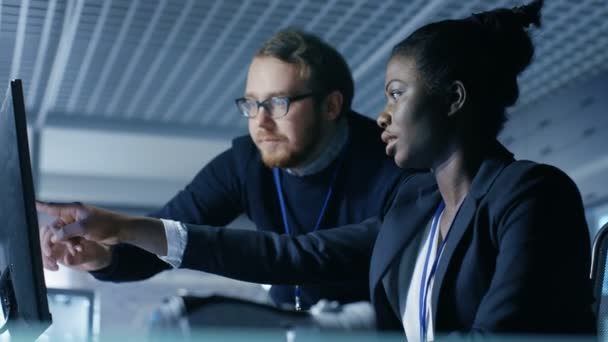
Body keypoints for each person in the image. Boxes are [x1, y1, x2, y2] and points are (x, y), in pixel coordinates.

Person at [39, 0, 596, 337]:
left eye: (397, 94)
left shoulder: (526, 193)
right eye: (251, 104)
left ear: (452, 99)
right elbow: (294, 255)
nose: (383, 113)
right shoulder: (419, 207)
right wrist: (122, 232)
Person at [39, 29, 408, 310]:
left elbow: (304, 256)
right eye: (251, 104)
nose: (260, 123)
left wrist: (124, 227)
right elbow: (165, 238)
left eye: (278, 103)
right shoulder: (245, 162)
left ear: (331, 106)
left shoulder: (393, 159)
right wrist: (98, 255)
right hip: (289, 324)